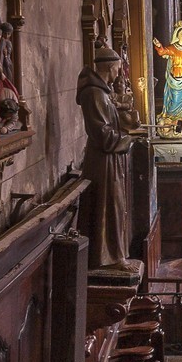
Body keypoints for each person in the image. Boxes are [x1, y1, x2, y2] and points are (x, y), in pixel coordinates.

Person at [79, 45, 133, 271]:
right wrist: (128, 139)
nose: (119, 73)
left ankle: (113, 255)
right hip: (103, 161)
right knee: (108, 204)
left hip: (108, 159)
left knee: (114, 204)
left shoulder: (102, 92)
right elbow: (102, 134)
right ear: (110, 67)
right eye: (118, 69)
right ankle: (110, 258)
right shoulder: (94, 93)